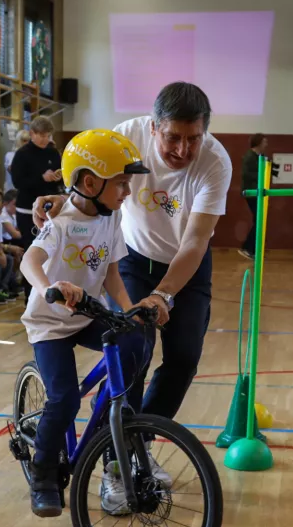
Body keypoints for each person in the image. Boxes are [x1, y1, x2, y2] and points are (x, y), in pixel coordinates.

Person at [35, 82, 231, 423]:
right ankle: (117, 454)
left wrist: (163, 295)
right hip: (134, 258)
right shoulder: (125, 139)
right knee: (134, 349)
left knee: (184, 358)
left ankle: (141, 441)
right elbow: (94, 190)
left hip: (187, 265)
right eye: (173, 137)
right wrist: (65, 201)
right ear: (152, 127)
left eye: (194, 139)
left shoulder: (215, 163)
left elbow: (196, 240)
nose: (183, 150)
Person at [19, 129, 154, 517]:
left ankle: (110, 397)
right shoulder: (61, 221)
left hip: (86, 316)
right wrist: (49, 288)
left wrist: (129, 308)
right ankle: (44, 472)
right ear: (90, 182)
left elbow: (111, 273)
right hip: (51, 324)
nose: (127, 192)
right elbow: (30, 261)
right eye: (122, 184)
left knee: (137, 338)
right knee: (62, 398)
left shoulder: (111, 218)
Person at [10, 116, 62, 297]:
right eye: (41, 135)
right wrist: (41, 178)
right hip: (27, 211)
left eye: (48, 136)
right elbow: (17, 182)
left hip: (50, 210)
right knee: (32, 250)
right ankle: (30, 295)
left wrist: (57, 176)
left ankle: (49, 293)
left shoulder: (53, 153)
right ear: (32, 134)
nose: (45, 139)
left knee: (52, 253)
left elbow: (60, 175)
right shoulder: (22, 154)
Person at [239, 133, 267, 259]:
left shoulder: (258, 156)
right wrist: (262, 175)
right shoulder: (250, 157)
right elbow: (247, 175)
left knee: (259, 220)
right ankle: (247, 248)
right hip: (252, 193)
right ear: (259, 143)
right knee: (258, 220)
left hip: (256, 192)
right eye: (264, 142)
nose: (266, 144)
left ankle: (253, 249)